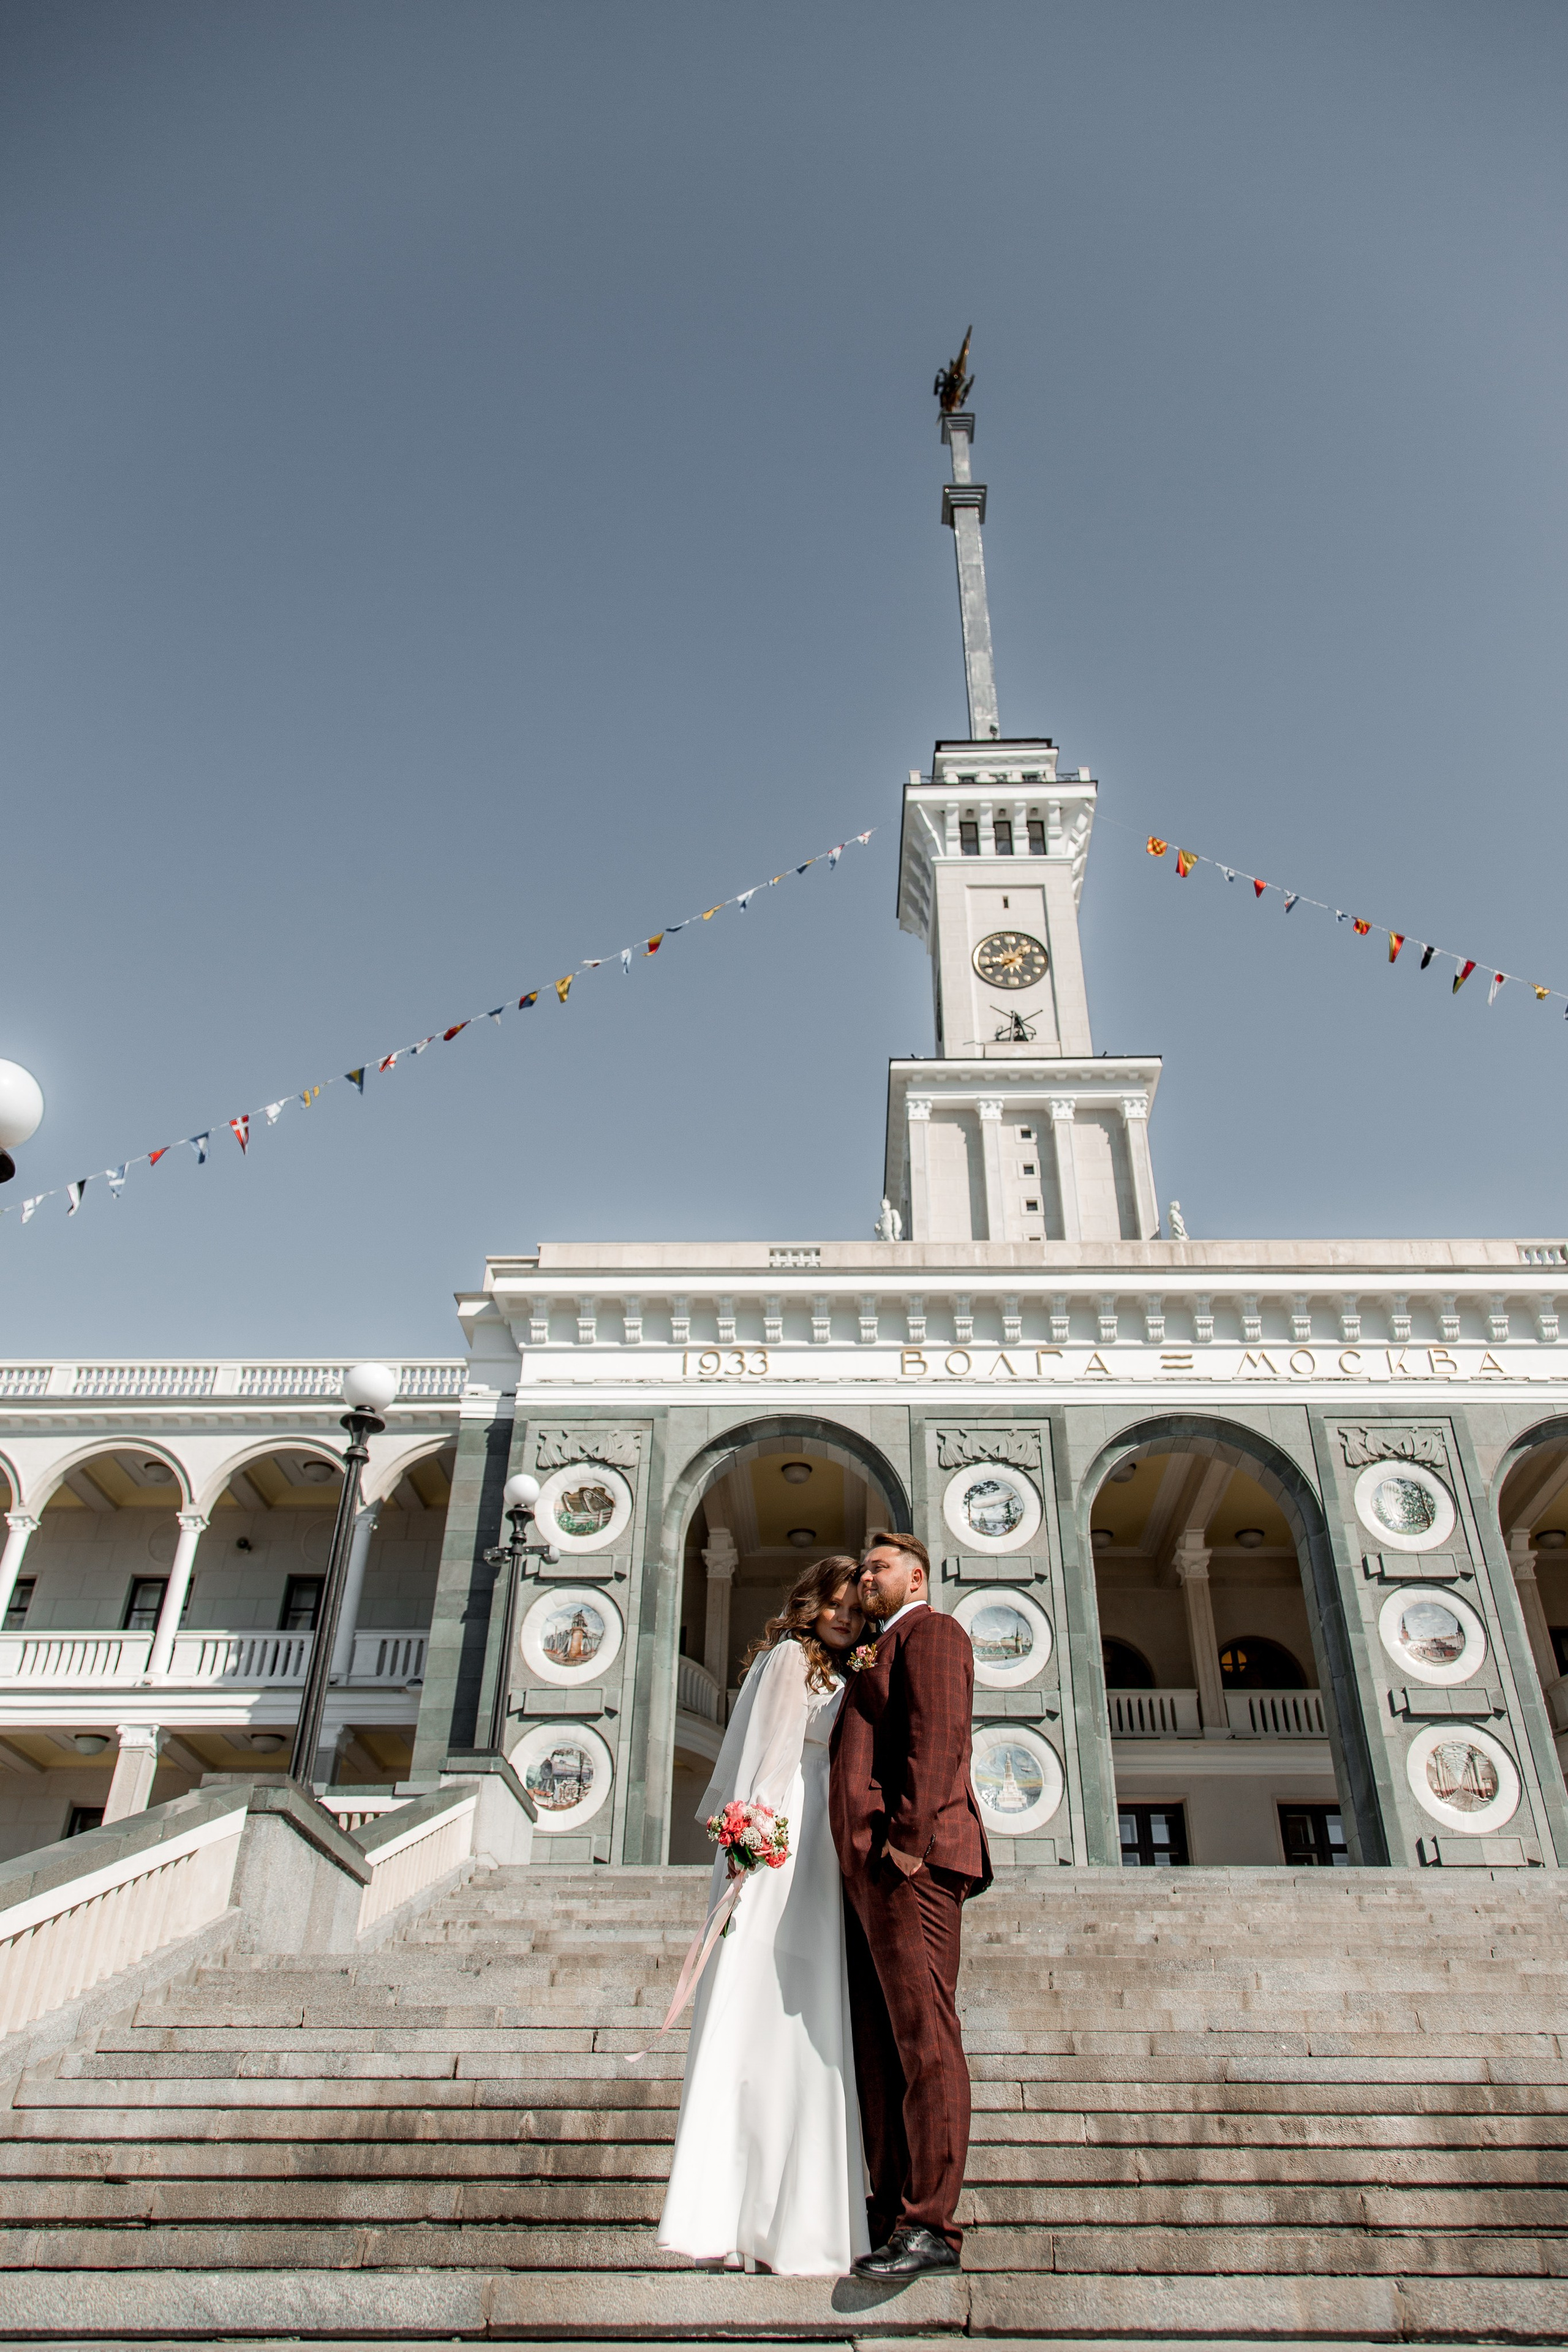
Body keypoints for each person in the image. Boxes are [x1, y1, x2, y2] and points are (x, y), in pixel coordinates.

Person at [657, 1555, 872, 2277]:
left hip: (819, 1836)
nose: (845, 1616)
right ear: (810, 1603)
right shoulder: (790, 1659)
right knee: (762, 2005)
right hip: (784, 1832)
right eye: (835, 1604)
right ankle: (735, 2215)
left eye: (855, 1608)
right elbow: (769, 1757)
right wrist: (751, 1843)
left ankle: (795, 2223)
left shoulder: (843, 1669)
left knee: (807, 2011)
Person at [829, 1530, 991, 2278]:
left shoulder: (932, 1631)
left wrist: (906, 1843)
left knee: (925, 2042)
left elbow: (939, 1738)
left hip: (911, 1868)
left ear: (917, 1576)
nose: (866, 1575)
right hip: (868, 1872)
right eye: (863, 1567)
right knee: (881, 2050)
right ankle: (891, 2207)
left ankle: (932, 2225)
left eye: (879, 1566)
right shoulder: (873, 1646)